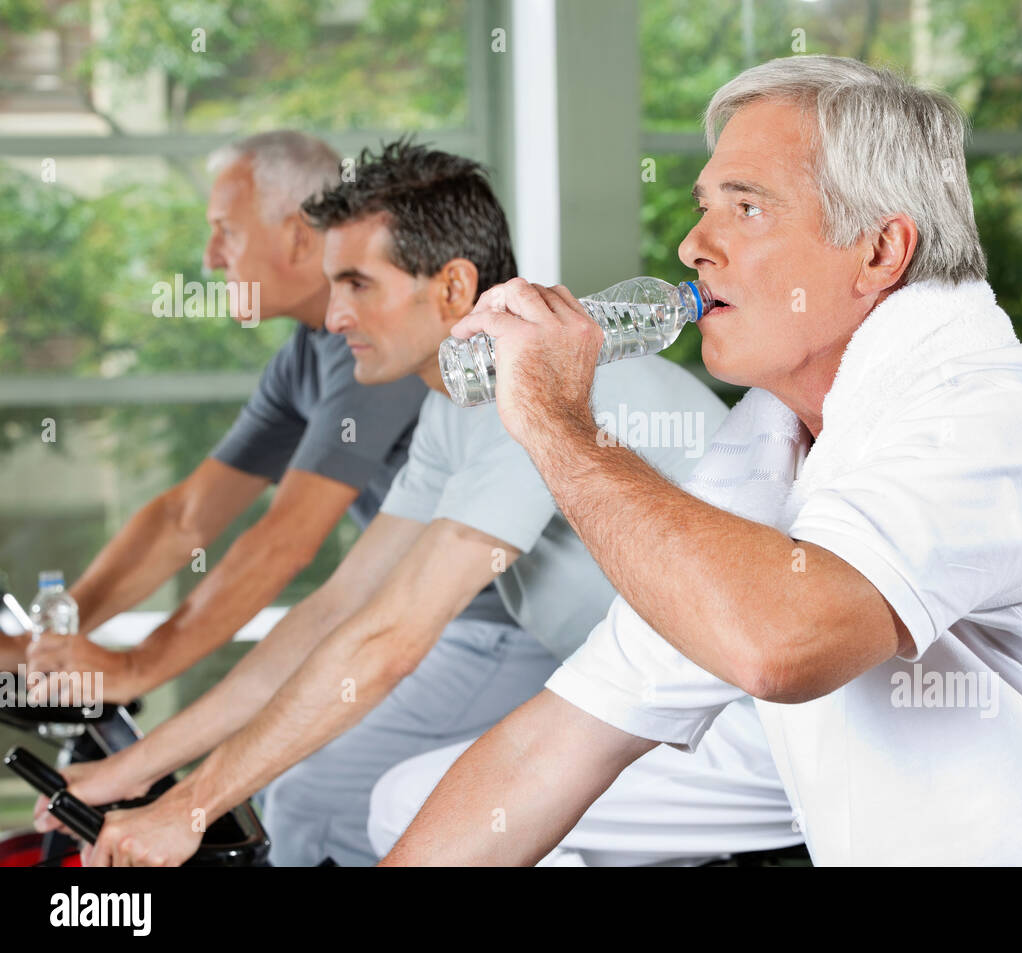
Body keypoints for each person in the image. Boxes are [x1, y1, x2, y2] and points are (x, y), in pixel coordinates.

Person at [378, 56, 1022, 866]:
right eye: (705, 207)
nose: (694, 246)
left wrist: (553, 421)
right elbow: (555, 748)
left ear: (880, 251)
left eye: (748, 206)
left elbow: (785, 644)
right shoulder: (766, 442)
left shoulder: (997, 413)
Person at [53, 142, 798, 867]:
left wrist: (188, 809)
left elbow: (388, 641)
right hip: (655, 712)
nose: (334, 315)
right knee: (408, 803)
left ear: (450, 287)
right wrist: (133, 775)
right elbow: (339, 610)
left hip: (758, 722)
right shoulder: (455, 404)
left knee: (410, 807)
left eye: (357, 285)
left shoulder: (545, 384)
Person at [20, 132, 427, 704]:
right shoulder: (304, 357)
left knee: (297, 787)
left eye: (226, 233)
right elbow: (184, 521)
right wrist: (50, 638)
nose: (211, 259)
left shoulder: (379, 340)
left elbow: (286, 540)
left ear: (297, 234)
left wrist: (140, 665)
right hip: (424, 624)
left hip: (490, 626)